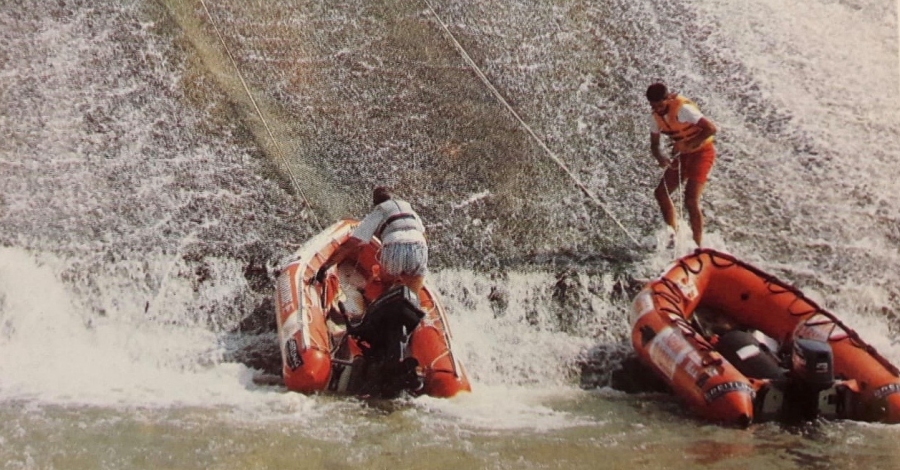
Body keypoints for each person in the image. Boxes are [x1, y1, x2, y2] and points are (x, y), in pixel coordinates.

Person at [317, 186, 428, 296]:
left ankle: (379, 304)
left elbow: (352, 243)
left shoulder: (379, 211)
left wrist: (326, 266)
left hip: (394, 245)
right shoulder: (410, 211)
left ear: (375, 203)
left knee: (386, 284)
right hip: (419, 245)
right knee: (413, 294)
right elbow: (423, 234)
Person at [646, 82, 718, 246]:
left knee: (690, 200)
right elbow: (654, 145)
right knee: (661, 193)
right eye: (653, 105)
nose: (657, 108)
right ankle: (674, 235)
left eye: (660, 104)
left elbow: (711, 129)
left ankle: (698, 244)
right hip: (682, 156)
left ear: (668, 99)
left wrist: (687, 144)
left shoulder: (684, 111)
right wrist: (660, 157)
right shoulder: (654, 118)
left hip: (702, 153)